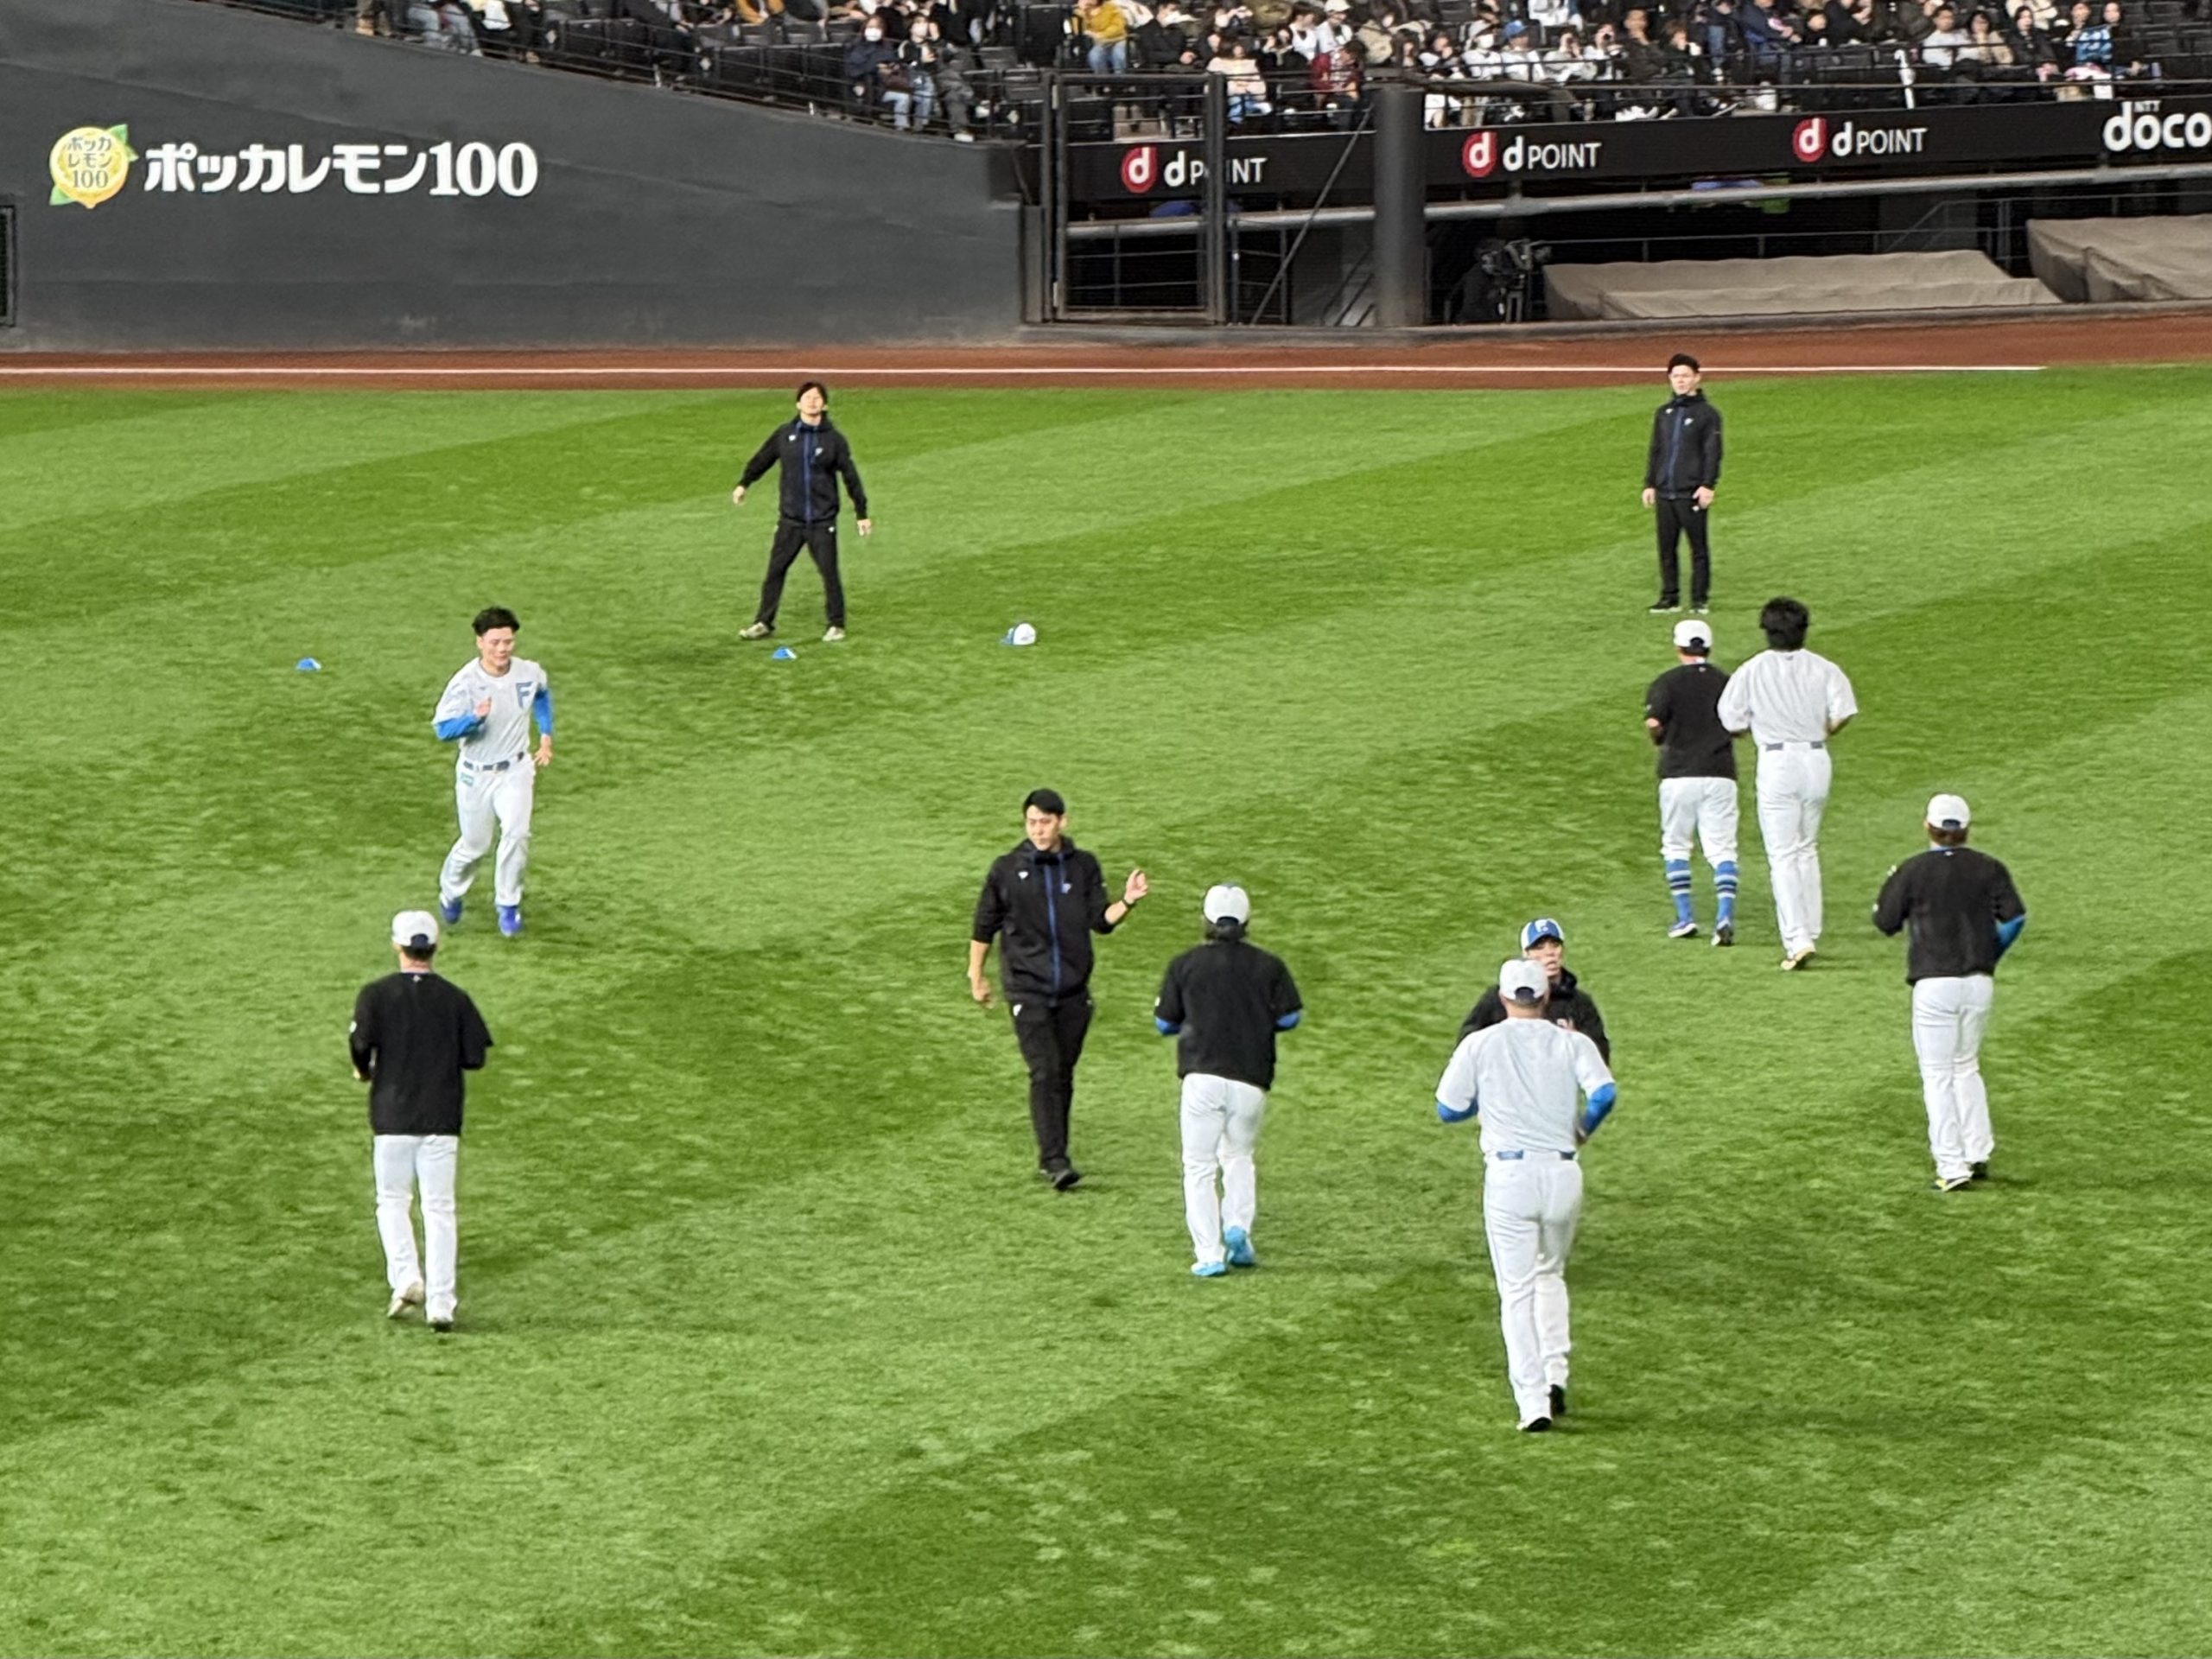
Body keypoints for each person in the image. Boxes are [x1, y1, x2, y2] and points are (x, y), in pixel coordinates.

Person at [1435, 957, 1618, 1433]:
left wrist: (1488, 1100)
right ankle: (1556, 1375)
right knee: (1550, 1274)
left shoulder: (1480, 1043)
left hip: (1510, 1176)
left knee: (1516, 1291)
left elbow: (1447, 1109)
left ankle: (1533, 1401)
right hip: (1563, 1173)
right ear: (1544, 997)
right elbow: (1604, 1095)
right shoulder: (1572, 1041)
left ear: (1503, 998)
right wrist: (1582, 1129)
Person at [969, 788, 1149, 1189]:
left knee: (1062, 1073)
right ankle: (1054, 1160)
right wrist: (975, 975)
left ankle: (1057, 1151)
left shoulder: (1083, 866)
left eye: (1045, 822)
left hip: (1073, 992)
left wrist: (1127, 901)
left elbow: (1100, 921)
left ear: (1062, 822)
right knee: (1045, 1069)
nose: (1038, 830)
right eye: (1032, 822)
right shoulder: (1006, 870)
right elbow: (983, 926)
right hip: (1026, 989)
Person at [1872, 794, 2026, 1191]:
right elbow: (2015, 918)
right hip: (1978, 983)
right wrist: (1991, 953)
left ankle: (1952, 1165)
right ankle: (1978, 1150)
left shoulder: (1912, 869)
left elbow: (1885, 921)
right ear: (1966, 830)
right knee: (1966, 1065)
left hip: (1934, 982)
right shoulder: (1990, 867)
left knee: (1937, 1074)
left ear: (1928, 827)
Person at [350, 910, 494, 1332]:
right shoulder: (455, 998)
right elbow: (475, 1056)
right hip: (442, 1118)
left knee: (393, 1201)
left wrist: (364, 1070)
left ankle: (406, 1277)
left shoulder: (375, 995)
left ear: (397, 946)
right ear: (434, 948)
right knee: (440, 1209)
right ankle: (442, 1303)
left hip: (392, 1116)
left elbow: (359, 1043)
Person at [1154, 884, 1303, 1278]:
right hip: (1251, 1078)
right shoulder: (1269, 965)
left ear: (1206, 920)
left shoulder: (1185, 964)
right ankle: (1238, 1226)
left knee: (1199, 1166)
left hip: (1201, 1076)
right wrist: (1255, 1020)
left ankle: (1209, 1254)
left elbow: (1164, 1022)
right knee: (1238, 1157)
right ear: (1246, 922)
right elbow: (1290, 1017)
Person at [1716, 597, 1858, 971]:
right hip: (1816, 758)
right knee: (1807, 847)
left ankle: (1798, 939)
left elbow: (1731, 720)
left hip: (1777, 760)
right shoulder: (1824, 667)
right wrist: (1823, 730)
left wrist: (1758, 727)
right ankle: (1811, 927)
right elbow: (1844, 711)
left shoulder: (1751, 670)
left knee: (1782, 855)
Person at [434, 606, 553, 939]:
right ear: (480, 642)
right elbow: (443, 730)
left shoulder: (528, 672)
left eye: (508, 642)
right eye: (495, 642)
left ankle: (508, 904)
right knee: (475, 845)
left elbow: (542, 695)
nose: (502, 649)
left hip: (516, 769)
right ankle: (451, 891)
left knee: (517, 833)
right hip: (476, 775)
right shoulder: (465, 682)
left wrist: (545, 734)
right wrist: (473, 719)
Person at [733, 381, 873, 644]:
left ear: (825, 405)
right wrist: (744, 483)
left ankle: (836, 624)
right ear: (798, 403)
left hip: (822, 522)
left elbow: (850, 477)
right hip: (791, 521)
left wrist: (861, 513)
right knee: (775, 571)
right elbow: (763, 459)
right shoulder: (785, 435)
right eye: (807, 397)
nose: (812, 401)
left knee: (829, 573)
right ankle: (763, 622)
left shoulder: (834, 440)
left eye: (817, 398)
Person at [1643, 618, 1741, 945]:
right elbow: (1740, 724)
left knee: (1676, 846)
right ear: (1708, 647)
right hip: (1720, 773)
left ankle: (1685, 918)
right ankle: (1724, 916)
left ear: (1678, 647)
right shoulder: (1727, 682)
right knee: (1722, 849)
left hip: (1678, 774)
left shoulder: (1667, 682)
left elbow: (1654, 723)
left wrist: (1661, 739)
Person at [1459, 918, 1610, 1062]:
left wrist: (1577, 1043)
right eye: (1539, 947)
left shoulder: (1580, 1002)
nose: (1549, 952)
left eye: (1555, 945)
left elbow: (1600, 1056)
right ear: (1526, 954)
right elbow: (1467, 1041)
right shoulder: (1503, 995)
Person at [1642, 353, 1723, 616]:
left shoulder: (1707, 414)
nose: (1680, 381)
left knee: (1698, 548)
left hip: (1691, 492)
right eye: (1676, 376)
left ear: (1697, 378)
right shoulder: (1664, 413)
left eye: (1686, 376)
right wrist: (1650, 483)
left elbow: (1713, 452)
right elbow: (1656, 450)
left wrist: (1708, 485)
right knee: (1667, 548)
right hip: (1665, 492)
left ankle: (1699, 600)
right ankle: (1670, 598)